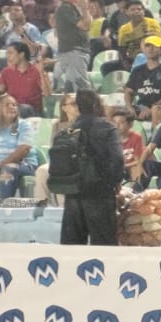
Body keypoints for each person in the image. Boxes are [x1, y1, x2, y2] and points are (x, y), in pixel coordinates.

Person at [59, 88, 125, 246]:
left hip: (73, 194)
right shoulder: (108, 128)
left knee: (72, 247)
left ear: (78, 107)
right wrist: (116, 182)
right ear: (97, 105)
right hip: (100, 193)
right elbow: (117, 159)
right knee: (104, 246)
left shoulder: (69, 130)